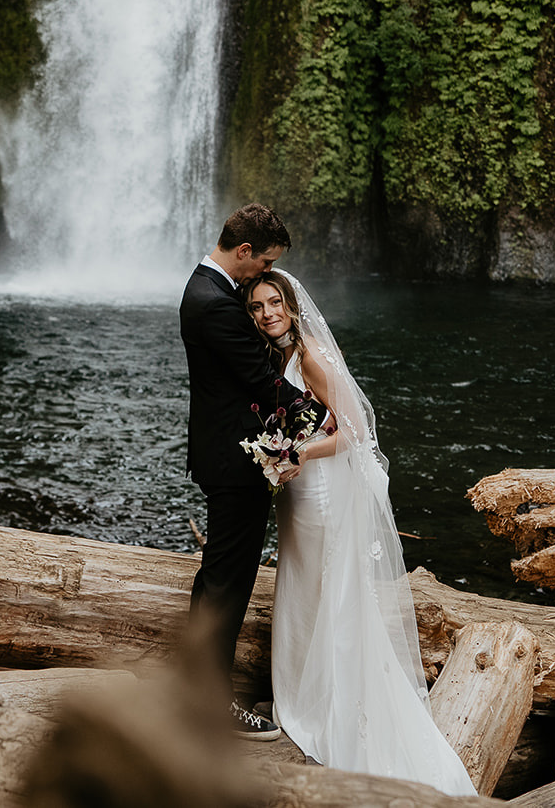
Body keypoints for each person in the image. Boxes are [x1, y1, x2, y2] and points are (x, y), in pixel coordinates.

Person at [242, 269, 478, 796]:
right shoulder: (278, 358)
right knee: (301, 591)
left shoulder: (311, 358)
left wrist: (293, 452)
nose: (266, 314)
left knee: (330, 595)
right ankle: (301, 696)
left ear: (291, 305)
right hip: (297, 496)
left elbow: (355, 432)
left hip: (321, 493)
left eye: (273, 302)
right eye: (257, 307)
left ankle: (331, 706)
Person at [179, 203, 311, 741]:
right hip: (236, 463)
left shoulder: (209, 290)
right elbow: (261, 381)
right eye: (265, 262)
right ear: (243, 252)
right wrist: (323, 415)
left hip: (229, 455)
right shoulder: (214, 303)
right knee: (227, 586)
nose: (264, 273)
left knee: (217, 578)